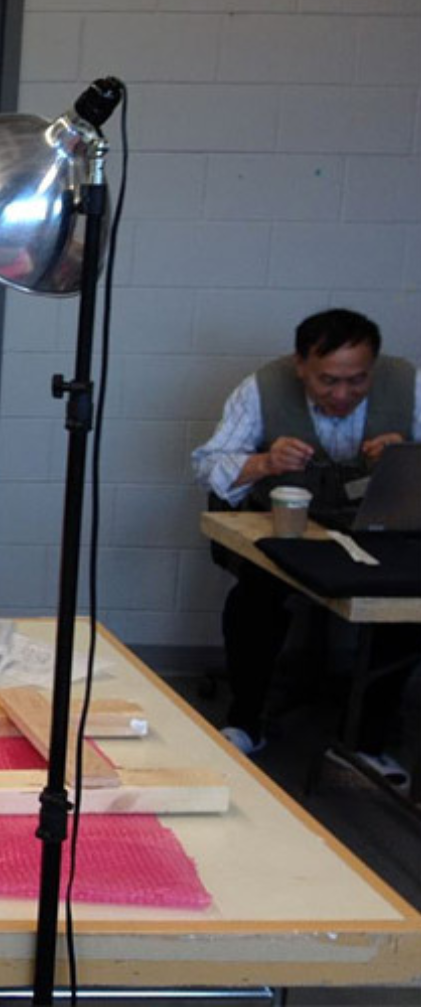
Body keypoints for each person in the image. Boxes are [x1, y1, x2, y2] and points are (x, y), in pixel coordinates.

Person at [192, 308, 419, 779]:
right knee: (256, 594)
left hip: (373, 528)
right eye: (327, 381)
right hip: (285, 526)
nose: (342, 394)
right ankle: (246, 720)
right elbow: (206, 462)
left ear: (372, 369)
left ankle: (368, 740)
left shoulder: (407, 385)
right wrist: (263, 463)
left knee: (407, 608)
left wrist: (406, 456)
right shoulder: (264, 387)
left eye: (357, 381)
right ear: (301, 366)